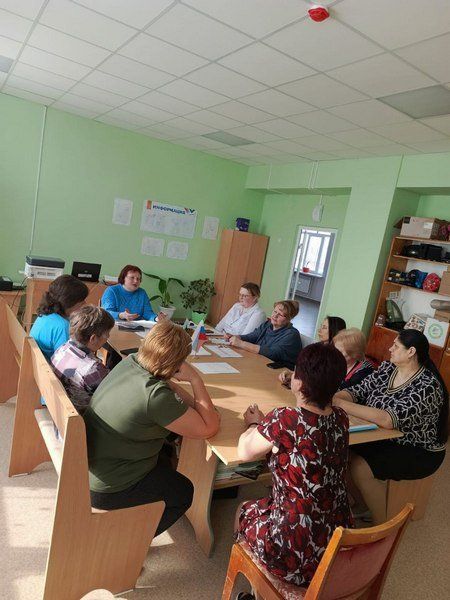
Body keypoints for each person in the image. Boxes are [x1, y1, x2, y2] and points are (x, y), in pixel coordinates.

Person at [84, 320, 220, 537]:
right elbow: (209, 427)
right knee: (183, 491)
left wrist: (197, 407)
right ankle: (131, 542)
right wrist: (195, 380)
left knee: (167, 451)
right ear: (178, 363)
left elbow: (171, 389)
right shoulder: (155, 396)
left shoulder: (132, 362)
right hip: (109, 486)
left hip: (94, 465)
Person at [236, 343, 351, 589]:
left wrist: (254, 425)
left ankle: (254, 587)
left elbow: (244, 451)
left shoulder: (285, 419)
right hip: (337, 544)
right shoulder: (341, 418)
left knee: (243, 510)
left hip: (293, 550)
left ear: (298, 383)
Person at [333, 329, 448, 524]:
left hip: (419, 450)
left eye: (396, 346)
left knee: (361, 467)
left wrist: (340, 403)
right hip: (384, 436)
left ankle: (382, 526)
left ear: (411, 352)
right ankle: (363, 505)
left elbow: (388, 419)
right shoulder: (388, 369)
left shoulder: (427, 385)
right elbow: (357, 391)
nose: (390, 349)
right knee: (340, 451)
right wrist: (335, 396)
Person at [51, 306, 114, 414]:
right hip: (82, 416)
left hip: (61, 409)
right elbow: (113, 395)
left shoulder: (62, 349)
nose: (108, 337)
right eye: (107, 334)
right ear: (93, 338)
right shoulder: (93, 369)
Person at [229, 300, 302, 370]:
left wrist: (241, 344)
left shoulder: (292, 335)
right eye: (275, 311)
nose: (275, 315)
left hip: (277, 371)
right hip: (258, 363)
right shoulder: (267, 324)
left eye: (280, 314)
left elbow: (272, 353)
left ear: (289, 319)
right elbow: (251, 337)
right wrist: (236, 337)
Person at [30, 274, 89, 360]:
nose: (85, 304)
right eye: (81, 300)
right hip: (49, 366)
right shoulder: (63, 326)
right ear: (69, 302)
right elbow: (66, 360)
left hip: (39, 362)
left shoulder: (45, 315)